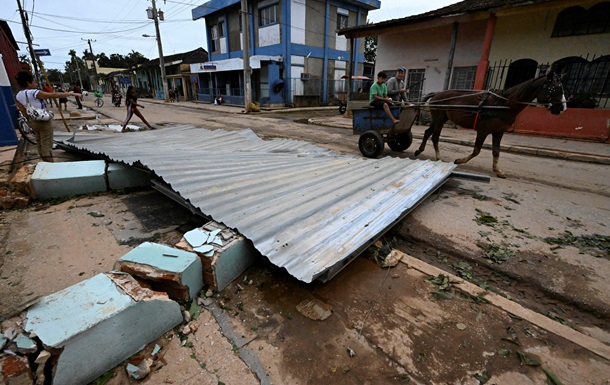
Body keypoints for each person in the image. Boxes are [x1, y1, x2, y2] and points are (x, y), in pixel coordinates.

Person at [14, 71, 78, 162]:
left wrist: (30, 121)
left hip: (32, 121)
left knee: (40, 143)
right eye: (34, 82)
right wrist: (72, 94)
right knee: (47, 145)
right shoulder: (34, 92)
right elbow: (54, 95)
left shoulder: (18, 95)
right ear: (28, 83)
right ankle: (51, 167)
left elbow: (22, 110)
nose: (36, 84)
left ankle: (45, 163)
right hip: (43, 121)